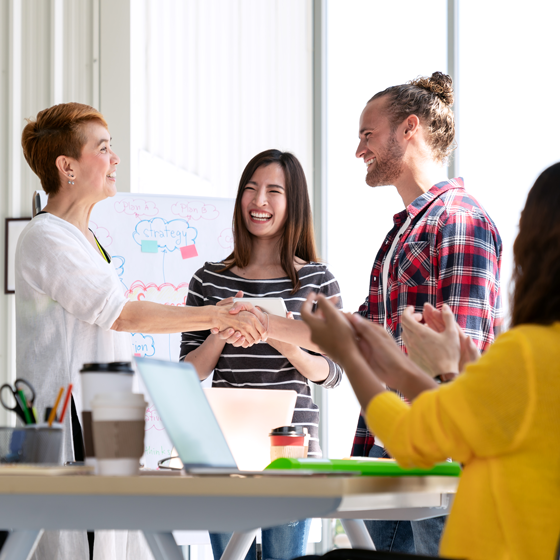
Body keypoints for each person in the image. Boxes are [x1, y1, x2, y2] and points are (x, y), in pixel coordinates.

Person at [16, 102, 265, 560]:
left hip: (108, 421)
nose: (115, 160)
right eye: (104, 149)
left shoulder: (90, 241)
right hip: (74, 428)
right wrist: (216, 316)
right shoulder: (46, 237)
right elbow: (121, 314)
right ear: (66, 166)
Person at [301, 161, 560, 560]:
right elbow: (482, 429)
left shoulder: (529, 351)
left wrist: (350, 357)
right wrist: (457, 372)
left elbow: (410, 437)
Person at [351, 71, 502, 554]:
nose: (359, 151)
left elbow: (462, 356)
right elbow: (362, 334)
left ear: (408, 128)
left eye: (367, 135)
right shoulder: (401, 234)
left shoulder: (459, 219)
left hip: (440, 461)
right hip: (392, 452)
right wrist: (271, 324)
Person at [180, 149, 343, 560]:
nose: (259, 202)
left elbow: (336, 373)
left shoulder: (317, 279)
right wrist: (221, 329)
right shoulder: (208, 278)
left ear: (294, 204)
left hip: (291, 451)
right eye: (251, 190)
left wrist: (290, 347)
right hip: (224, 453)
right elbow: (187, 372)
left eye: (274, 191)